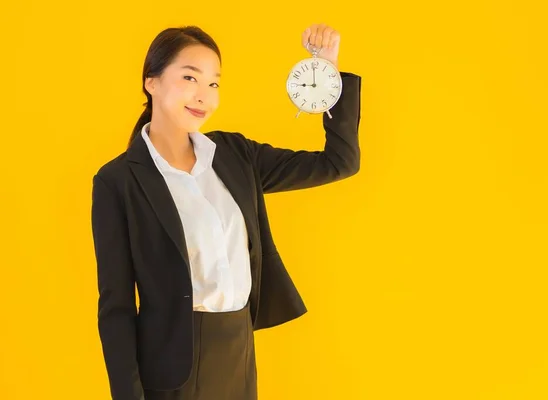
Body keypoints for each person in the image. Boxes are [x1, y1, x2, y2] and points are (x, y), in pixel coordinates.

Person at [90, 22, 362, 400]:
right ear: (151, 81)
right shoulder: (117, 181)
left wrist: (326, 74)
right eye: (190, 77)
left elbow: (339, 162)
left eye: (214, 83)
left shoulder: (236, 156)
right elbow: (116, 307)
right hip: (169, 373)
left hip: (238, 354)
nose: (204, 95)